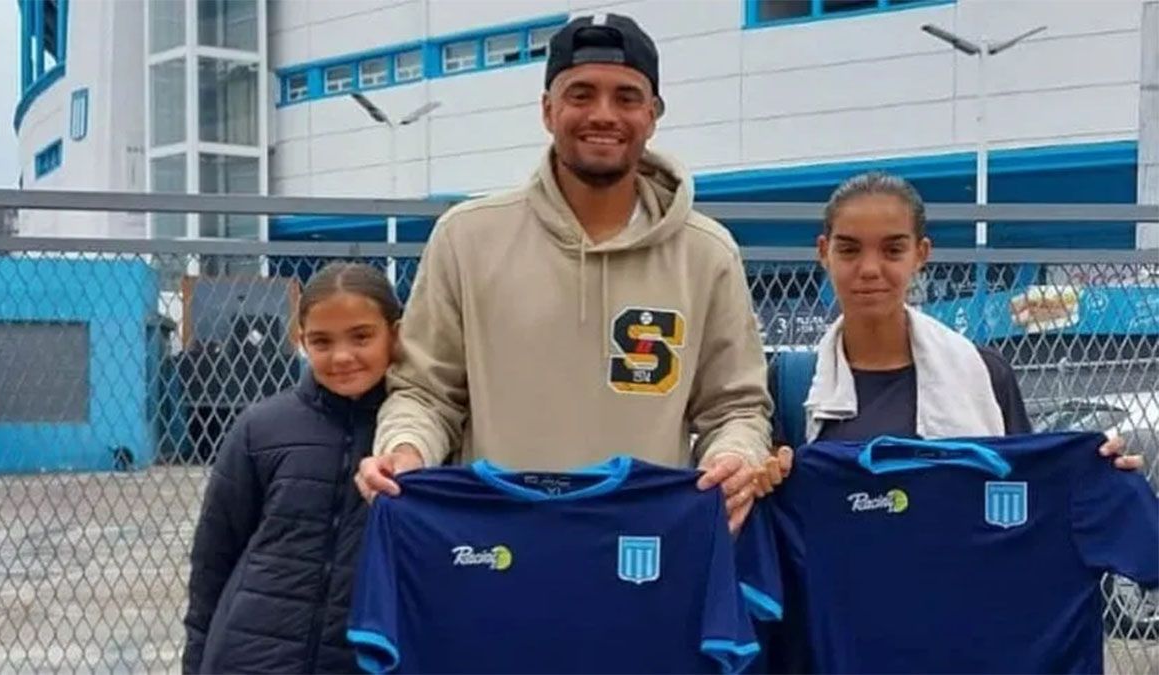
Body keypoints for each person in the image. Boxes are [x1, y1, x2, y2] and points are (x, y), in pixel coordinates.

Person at [356, 12, 789, 533]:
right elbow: (425, 393)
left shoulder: (707, 253)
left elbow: (734, 408)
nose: (603, 114)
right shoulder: (466, 237)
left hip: (645, 549)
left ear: (652, 115)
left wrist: (734, 458)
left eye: (626, 97)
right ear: (547, 109)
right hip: (496, 546)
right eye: (580, 94)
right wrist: (405, 450)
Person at [767, 170, 1142, 467]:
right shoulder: (793, 384)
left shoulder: (984, 374)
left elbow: (1029, 496)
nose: (869, 269)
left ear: (921, 254)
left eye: (893, 250)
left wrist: (1096, 477)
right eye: (849, 249)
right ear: (823, 252)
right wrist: (764, 475)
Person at [181, 262, 401, 674]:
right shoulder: (260, 428)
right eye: (321, 341)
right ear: (300, 340)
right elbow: (214, 557)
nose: (342, 356)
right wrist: (196, 660)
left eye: (361, 336)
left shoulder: (417, 441)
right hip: (249, 656)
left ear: (396, 333)